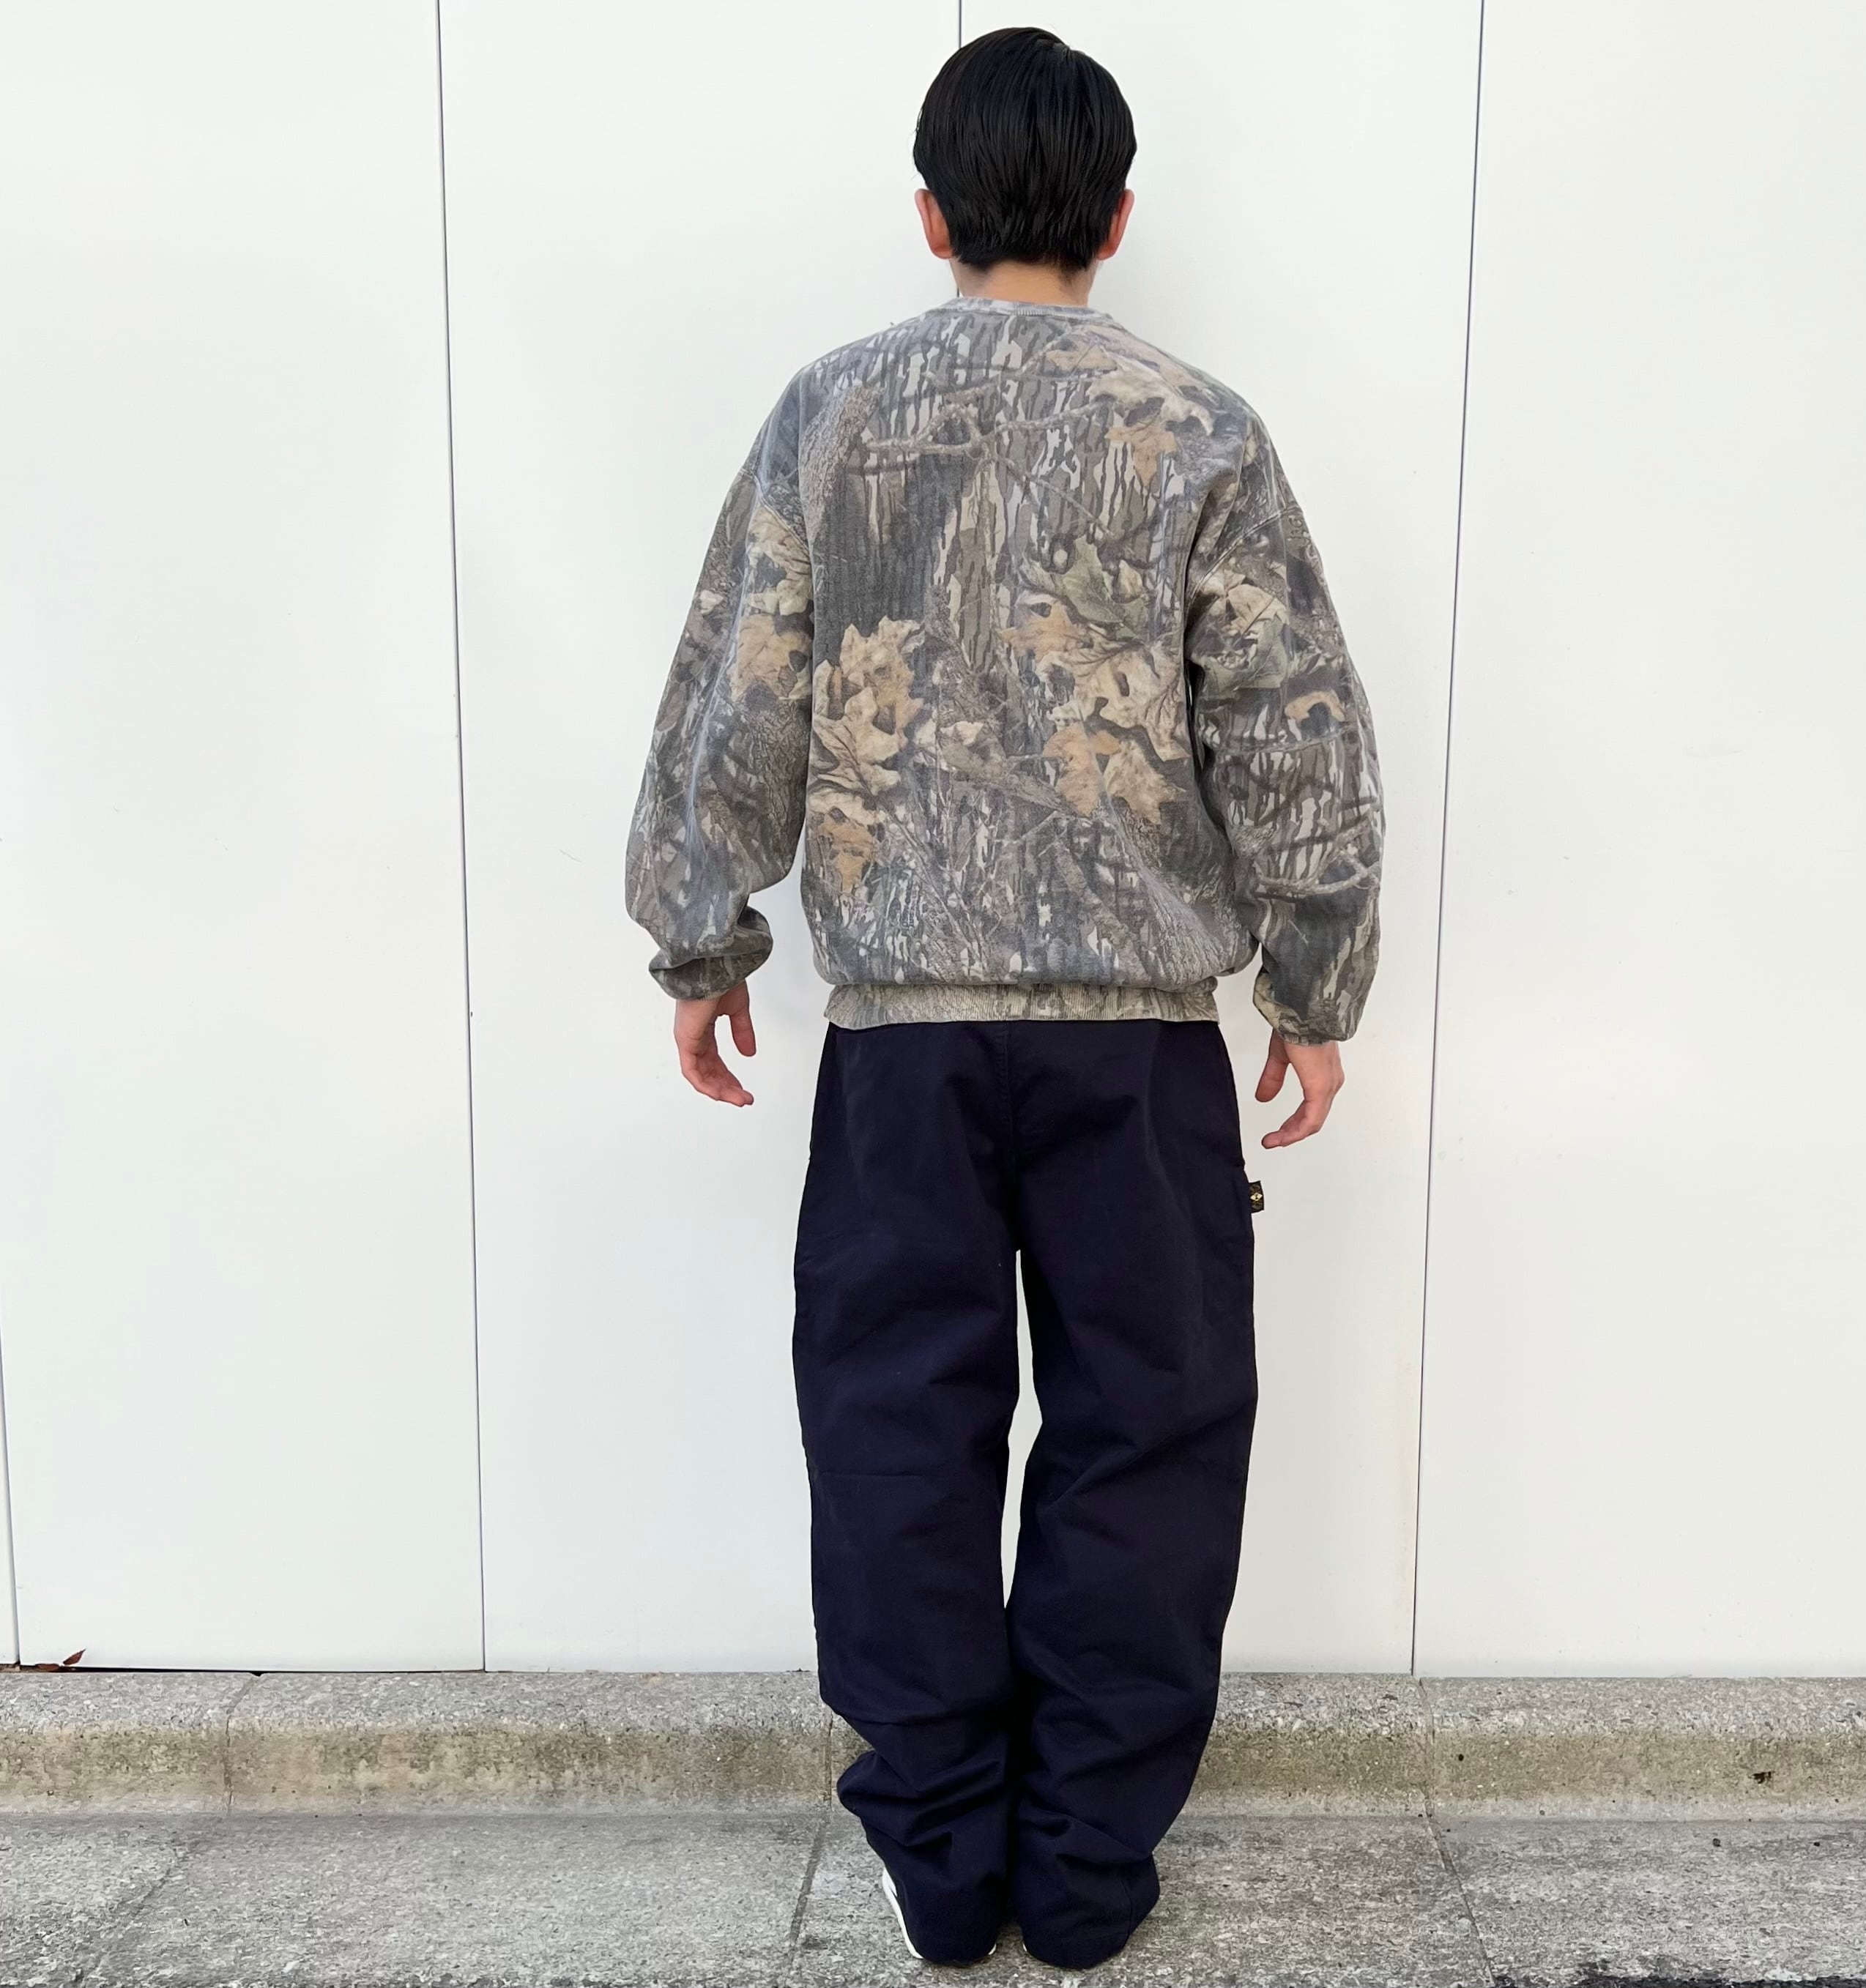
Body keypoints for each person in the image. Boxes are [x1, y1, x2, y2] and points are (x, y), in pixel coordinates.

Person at [625, 25, 1382, 1970]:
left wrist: (702, 940)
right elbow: (1291, 723)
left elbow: (741, 687)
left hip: (904, 1047)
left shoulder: (827, 416)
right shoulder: (1198, 429)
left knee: (899, 1430)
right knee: (1150, 1434)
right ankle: (1087, 1864)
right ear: (1117, 217)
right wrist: (1314, 983)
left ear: (928, 213)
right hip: (1137, 1051)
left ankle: (945, 1849)